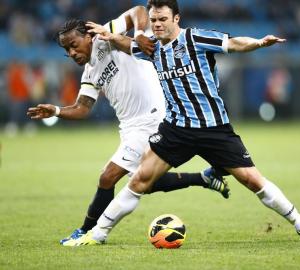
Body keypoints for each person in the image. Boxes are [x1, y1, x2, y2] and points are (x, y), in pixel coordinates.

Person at [68, 0, 300, 246]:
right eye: (153, 19)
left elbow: (234, 43)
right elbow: (127, 46)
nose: (157, 24)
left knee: (252, 180)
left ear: (176, 18)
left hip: (213, 128)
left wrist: (259, 43)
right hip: (176, 129)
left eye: (162, 19)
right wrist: (111, 35)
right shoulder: (152, 48)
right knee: (139, 181)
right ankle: (97, 235)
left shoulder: (195, 38)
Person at [27, 6, 230, 244]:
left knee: (108, 177)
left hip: (151, 119)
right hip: (130, 127)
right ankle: (204, 178)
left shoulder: (106, 38)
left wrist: (142, 34)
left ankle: (86, 231)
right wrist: (57, 110)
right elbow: (82, 108)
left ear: (88, 36)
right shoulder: (89, 73)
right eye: (66, 50)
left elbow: (137, 11)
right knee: (146, 182)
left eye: (74, 44)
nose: (71, 52)